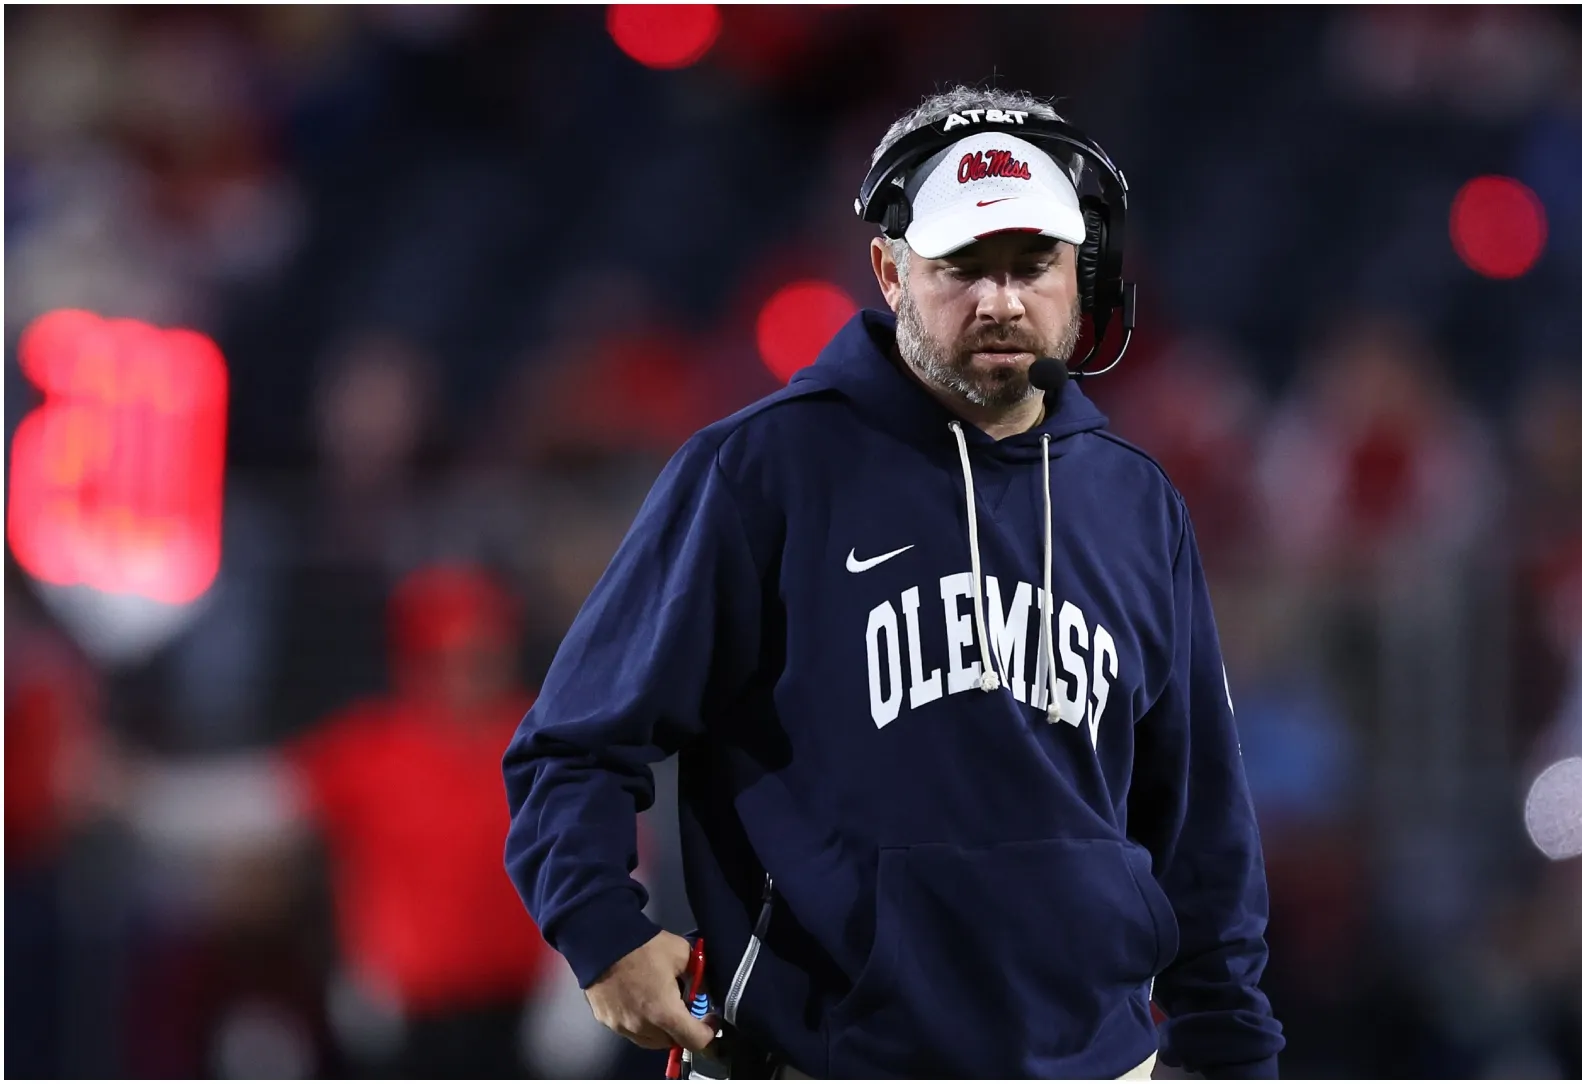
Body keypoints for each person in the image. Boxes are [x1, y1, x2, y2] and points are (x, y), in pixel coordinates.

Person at [503, 86, 1284, 1079]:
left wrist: (1232, 1049)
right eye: (964, 264)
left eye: (1031, 263)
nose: (1001, 299)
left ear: (1079, 276)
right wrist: (600, 924)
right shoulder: (760, 471)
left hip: (1097, 1063)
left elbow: (1202, 824)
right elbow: (573, 744)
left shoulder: (1137, 503)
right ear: (890, 269)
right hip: (820, 1058)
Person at [288, 561, 553, 1077]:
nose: (465, 676)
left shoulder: (542, 746)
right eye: (445, 659)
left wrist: (576, 988)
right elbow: (258, 803)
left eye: (480, 657)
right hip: (407, 1016)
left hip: (517, 1011)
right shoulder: (372, 749)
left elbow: (617, 860)